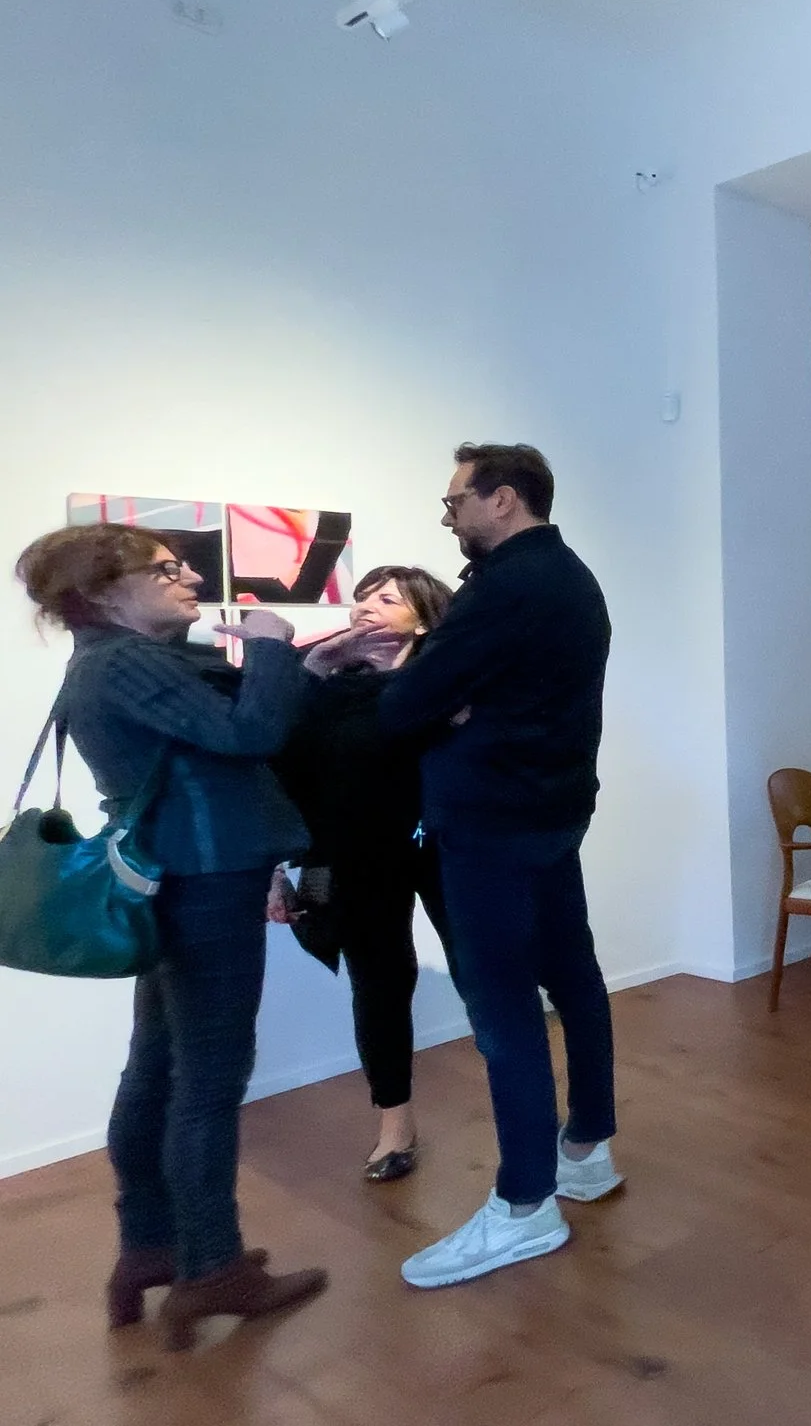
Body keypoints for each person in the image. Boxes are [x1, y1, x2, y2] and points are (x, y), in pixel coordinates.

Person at [15, 523, 328, 1351]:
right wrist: (271, 641)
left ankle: (152, 1247)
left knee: (157, 1066)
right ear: (103, 591)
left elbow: (224, 721)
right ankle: (211, 1267)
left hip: (176, 876)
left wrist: (297, 667)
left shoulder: (117, 659)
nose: (188, 575)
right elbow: (250, 734)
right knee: (209, 1079)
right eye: (164, 568)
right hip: (207, 877)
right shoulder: (126, 661)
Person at [369, 444, 623, 1289]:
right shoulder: (572, 578)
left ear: (503, 499)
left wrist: (420, 690)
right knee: (573, 976)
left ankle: (524, 1204)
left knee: (504, 1007)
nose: (448, 516)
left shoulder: (504, 587)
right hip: (552, 814)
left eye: (456, 502)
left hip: (491, 825)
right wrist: (451, 698)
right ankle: (586, 1148)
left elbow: (405, 706)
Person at [269, 565, 457, 1182]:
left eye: (387, 598)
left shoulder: (445, 684)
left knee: (483, 970)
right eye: (363, 597)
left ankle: (528, 1104)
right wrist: (276, 869)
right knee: (379, 984)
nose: (367, 606)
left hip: (440, 847)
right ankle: (394, 1125)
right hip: (350, 857)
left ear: (423, 620)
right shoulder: (321, 686)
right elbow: (282, 776)